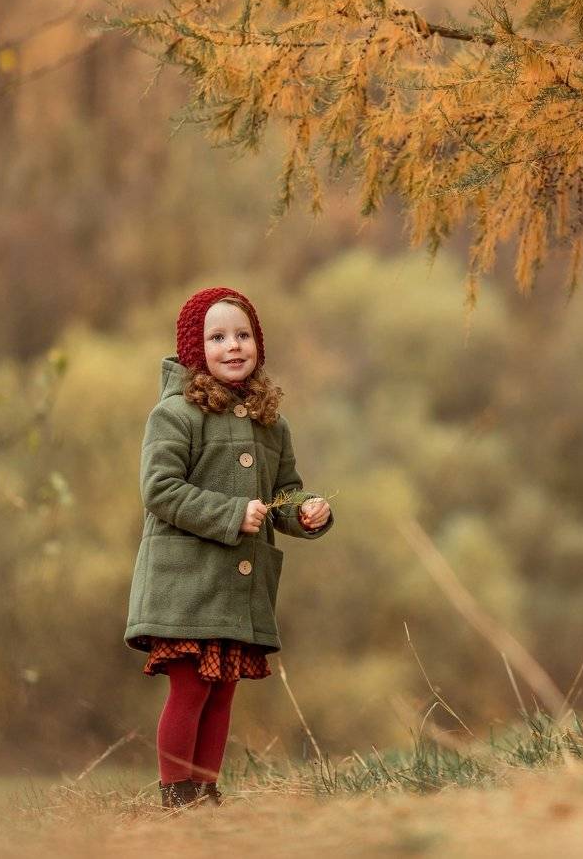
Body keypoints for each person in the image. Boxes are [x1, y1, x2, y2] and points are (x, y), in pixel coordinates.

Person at [124, 286, 333, 810]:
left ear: (258, 343)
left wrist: (306, 511)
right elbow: (159, 490)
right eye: (217, 337)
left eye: (243, 335)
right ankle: (177, 794)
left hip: (237, 587)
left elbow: (283, 493)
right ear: (195, 349)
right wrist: (231, 513)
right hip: (184, 583)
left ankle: (205, 791)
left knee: (221, 691)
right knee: (191, 688)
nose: (233, 346)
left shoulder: (271, 424)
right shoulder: (175, 414)